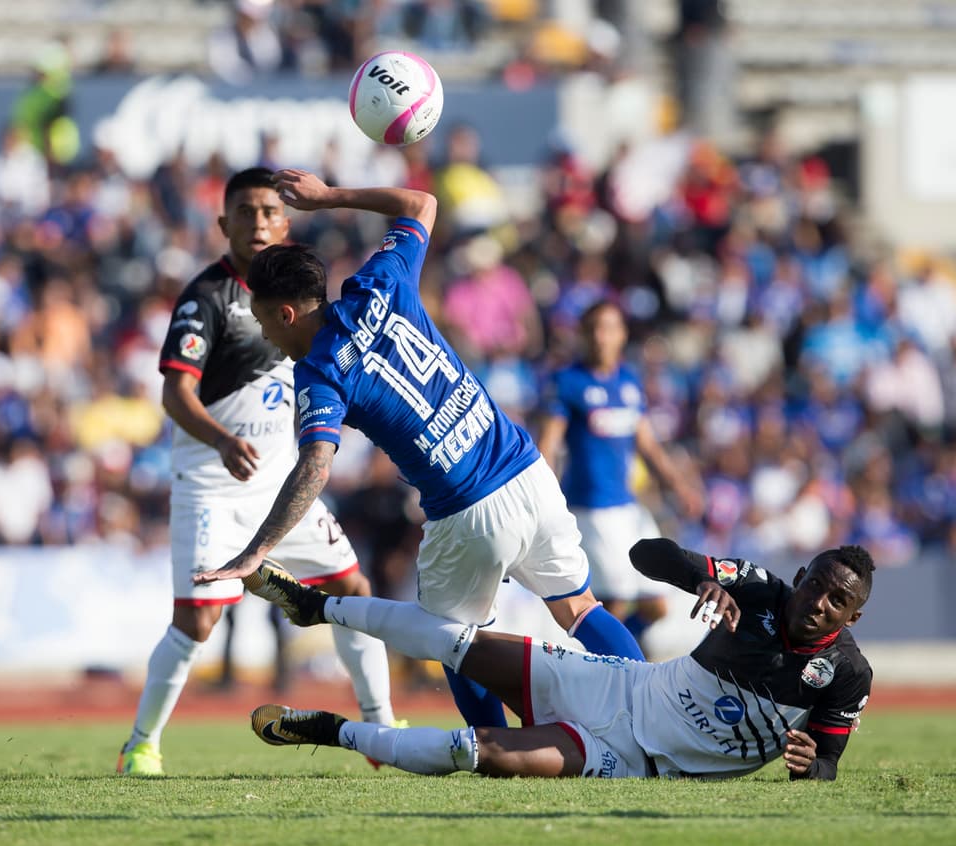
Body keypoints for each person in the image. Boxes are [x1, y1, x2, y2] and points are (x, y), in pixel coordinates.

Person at [192, 169, 645, 729]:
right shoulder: (380, 280)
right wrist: (329, 197)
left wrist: (258, 550)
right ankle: (652, 715)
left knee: (453, 642)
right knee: (579, 608)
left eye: (264, 322)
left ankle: (498, 753)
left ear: (285, 313)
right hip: (527, 472)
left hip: (465, 511)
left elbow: (315, 466)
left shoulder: (318, 374)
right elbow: (420, 202)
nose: (266, 337)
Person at [117, 168, 397, 775]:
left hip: (283, 488)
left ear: (287, 221)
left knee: (353, 590)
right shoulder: (207, 298)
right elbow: (174, 396)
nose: (259, 222)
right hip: (214, 489)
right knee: (198, 619)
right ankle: (141, 743)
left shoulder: (300, 291)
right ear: (224, 224)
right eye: (245, 212)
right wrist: (220, 440)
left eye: (269, 211)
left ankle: (380, 729)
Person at [244, 538, 875, 780]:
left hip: (637, 762)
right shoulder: (762, 587)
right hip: (618, 687)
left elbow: (824, 767)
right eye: (817, 583)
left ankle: (335, 732)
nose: (819, 602)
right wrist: (699, 577)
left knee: (478, 752)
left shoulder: (847, 675)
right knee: (456, 641)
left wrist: (808, 763)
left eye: (837, 599)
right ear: (802, 574)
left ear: (853, 617)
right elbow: (644, 556)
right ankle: (313, 606)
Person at [537, 300, 702, 649]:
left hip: (629, 508)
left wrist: (680, 486)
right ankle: (609, 672)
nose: (602, 336)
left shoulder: (628, 381)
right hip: (591, 507)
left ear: (622, 334)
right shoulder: (568, 382)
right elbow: (548, 445)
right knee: (614, 600)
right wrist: (544, 499)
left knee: (656, 605)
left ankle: (613, 662)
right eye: (595, 328)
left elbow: (648, 445)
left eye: (610, 327)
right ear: (583, 334)